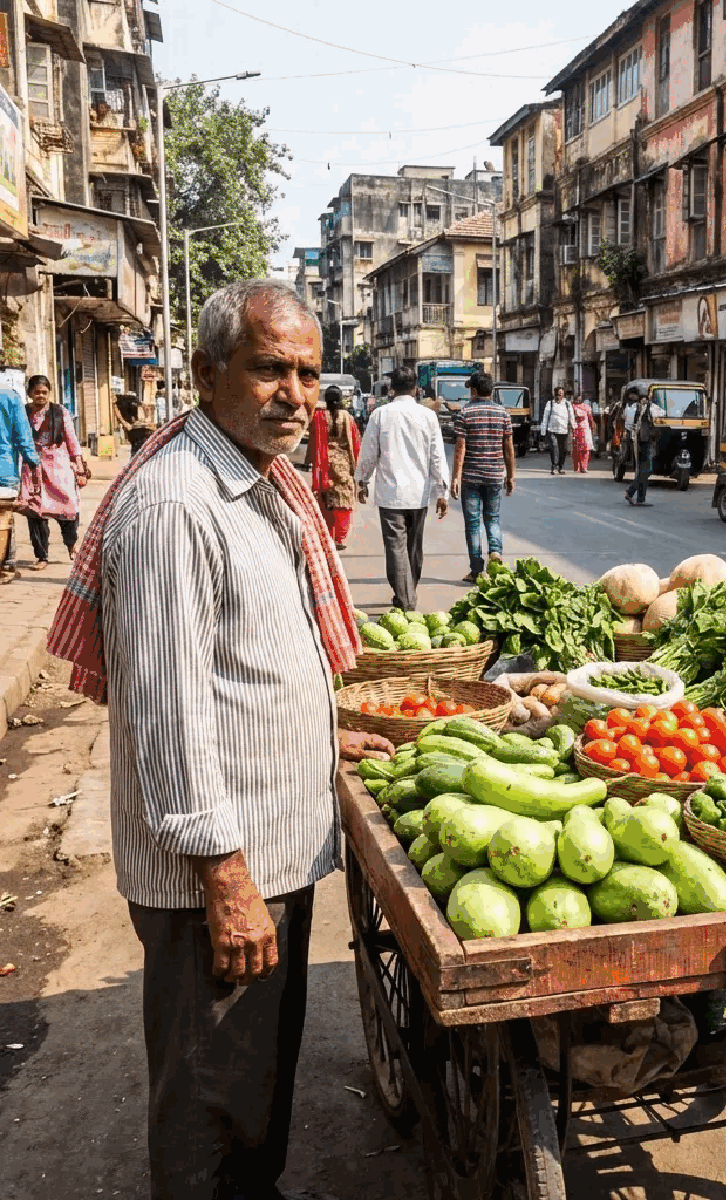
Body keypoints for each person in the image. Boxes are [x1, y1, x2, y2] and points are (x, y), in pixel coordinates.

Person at [45, 278, 391, 1200]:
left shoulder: (253, 482)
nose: (296, 396)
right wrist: (224, 877)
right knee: (210, 1101)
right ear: (206, 374)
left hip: (266, 849)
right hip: (221, 876)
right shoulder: (176, 506)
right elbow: (166, 711)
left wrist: (318, 738)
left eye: (309, 376)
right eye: (269, 369)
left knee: (254, 1086)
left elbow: (246, 668)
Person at [355, 365, 450, 610]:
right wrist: (442, 493)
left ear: (390, 389)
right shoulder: (428, 416)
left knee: (396, 550)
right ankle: (406, 596)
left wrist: (362, 480)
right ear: (416, 389)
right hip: (419, 495)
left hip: (391, 495)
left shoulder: (380, 415)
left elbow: (368, 454)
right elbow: (437, 457)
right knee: (413, 549)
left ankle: (405, 600)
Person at [18, 375, 89, 569]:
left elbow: (72, 440)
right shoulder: (23, 412)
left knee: (67, 508)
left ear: (49, 392)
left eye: (44, 392)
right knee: (35, 512)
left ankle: (72, 545)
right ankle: (41, 556)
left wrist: (80, 467)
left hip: (59, 465)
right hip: (32, 467)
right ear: (30, 393)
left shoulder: (60, 412)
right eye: (37, 392)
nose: (40, 395)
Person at [452, 371, 514, 583]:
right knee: (493, 518)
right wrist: (511, 476)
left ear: (474, 391)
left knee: (473, 523)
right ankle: (495, 551)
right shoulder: (503, 413)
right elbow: (508, 447)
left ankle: (477, 569)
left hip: (471, 476)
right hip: (495, 475)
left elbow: (460, 447)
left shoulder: (465, 413)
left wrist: (455, 477)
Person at [306, 384, 361, 550]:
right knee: (343, 501)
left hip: (325, 464)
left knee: (326, 500)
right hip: (344, 465)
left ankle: (328, 535)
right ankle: (340, 537)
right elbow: (356, 440)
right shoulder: (347, 417)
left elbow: (312, 435)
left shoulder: (319, 416)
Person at [0, 384, 40, 582]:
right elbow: (23, 435)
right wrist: (33, 462)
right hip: (4, 470)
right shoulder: (9, 396)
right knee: (3, 519)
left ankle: (8, 562)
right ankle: (5, 565)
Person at [624, 390, 664, 507]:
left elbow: (628, 424)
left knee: (642, 470)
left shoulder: (632, 408)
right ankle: (631, 491)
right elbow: (662, 413)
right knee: (647, 470)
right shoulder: (650, 408)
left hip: (636, 441)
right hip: (644, 442)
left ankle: (640, 498)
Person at [541, 386, 571, 475]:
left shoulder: (567, 404)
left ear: (563, 395)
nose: (558, 396)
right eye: (556, 394)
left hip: (564, 430)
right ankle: (554, 466)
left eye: (560, 394)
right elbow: (545, 417)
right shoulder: (550, 403)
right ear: (554, 395)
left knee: (564, 449)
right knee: (554, 447)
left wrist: (574, 427)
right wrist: (543, 431)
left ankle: (561, 467)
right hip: (552, 430)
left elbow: (571, 416)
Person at [571, 393, 596, 472]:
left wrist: (592, 426)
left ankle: (584, 467)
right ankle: (577, 467)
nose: (578, 400)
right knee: (576, 449)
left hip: (585, 430)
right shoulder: (571, 407)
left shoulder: (586, 407)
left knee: (585, 449)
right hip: (575, 429)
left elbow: (590, 418)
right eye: (576, 398)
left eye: (579, 398)